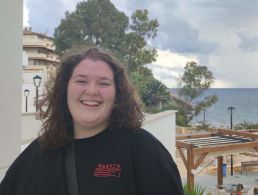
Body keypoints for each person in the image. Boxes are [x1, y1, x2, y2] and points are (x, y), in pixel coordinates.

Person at [0, 47, 184, 195]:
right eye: (81, 81)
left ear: (117, 94)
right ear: (65, 89)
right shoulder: (41, 150)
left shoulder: (143, 148)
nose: (92, 91)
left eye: (103, 83)